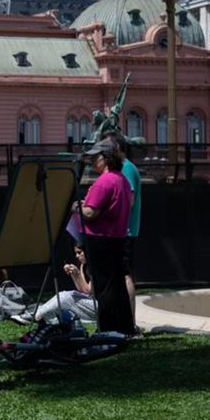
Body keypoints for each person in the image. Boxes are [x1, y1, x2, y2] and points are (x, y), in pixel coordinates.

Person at [73, 138, 135, 335]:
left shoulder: (104, 181)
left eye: (95, 158)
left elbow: (91, 213)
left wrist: (76, 207)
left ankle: (107, 329)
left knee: (103, 287)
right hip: (117, 238)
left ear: (106, 158)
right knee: (117, 286)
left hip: (100, 240)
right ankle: (124, 327)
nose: (91, 162)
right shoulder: (122, 180)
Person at [103, 131, 142, 329]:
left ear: (117, 147)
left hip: (124, 232)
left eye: (106, 147)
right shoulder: (126, 168)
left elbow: (129, 200)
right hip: (123, 231)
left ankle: (130, 324)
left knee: (125, 276)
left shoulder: (126, 168)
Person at [10, 244, 96, 325]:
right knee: (64, 295)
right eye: (76, 253)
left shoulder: (96, 266)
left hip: (97, 305)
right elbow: (81, 290)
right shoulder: (83, 266)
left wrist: (77, 274)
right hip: (88, 301)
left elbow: (88, 291)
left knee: (64, 296)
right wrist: (73, 275)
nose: (77, 256)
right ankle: (37, 315)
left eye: (79, 252)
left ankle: (36, 317)